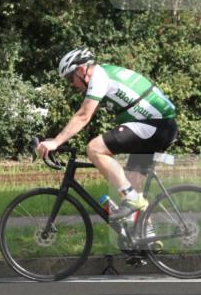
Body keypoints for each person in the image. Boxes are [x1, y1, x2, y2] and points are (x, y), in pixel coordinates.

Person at [37, 48, 178, 222]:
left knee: (95, 149)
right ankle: (146, 240)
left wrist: (56, 142)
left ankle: (132, 199)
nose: (72, 84)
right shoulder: (105, 73)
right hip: (160, 126)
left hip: (155, 124)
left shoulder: (99, 77)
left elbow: (83, 116)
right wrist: (59, 139)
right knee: (133, 186)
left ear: (81, 70)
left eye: (70, 78)